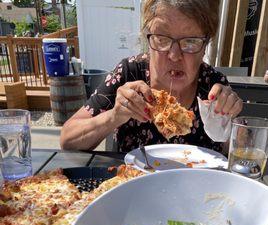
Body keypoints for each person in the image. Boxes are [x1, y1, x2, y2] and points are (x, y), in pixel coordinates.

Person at [60, 0, 243, 153]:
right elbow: (67, 140)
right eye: (162, 39)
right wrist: (114, 117)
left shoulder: (213, 85)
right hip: (132, 187)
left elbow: (240, 153)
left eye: (190, 41)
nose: (174, 55)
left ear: (205, 45)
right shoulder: (129, 73)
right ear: (147, 38)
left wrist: (228, 125)